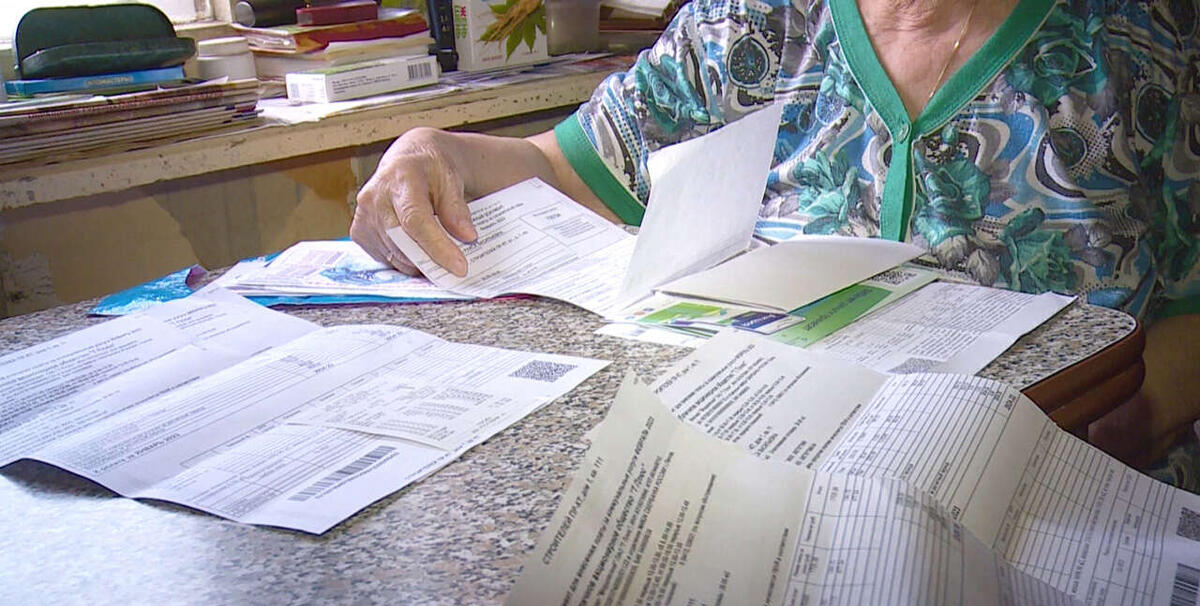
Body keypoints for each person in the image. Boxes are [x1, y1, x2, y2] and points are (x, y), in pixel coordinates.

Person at [351, 0, 1200, 478]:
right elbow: (558, 167)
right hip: (777, 485)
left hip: (1065, 497)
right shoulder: (754, 23)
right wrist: (433, 151)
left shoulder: (1150, 39)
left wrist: (1144, 415)